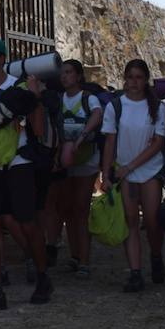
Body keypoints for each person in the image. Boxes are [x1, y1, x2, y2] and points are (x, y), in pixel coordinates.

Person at [0, 82, 51, 312]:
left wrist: (35, 99)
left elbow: (39, 131)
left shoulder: (20, 84)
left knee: (27, 223)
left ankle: (43, 277)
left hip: (18, 165)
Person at [100, 59, 165, 292]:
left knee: (151, 220)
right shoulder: (115, 106)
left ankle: (156, 255)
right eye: (130, 77)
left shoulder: (157, 107)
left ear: (146, 79)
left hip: (149, 170)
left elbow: (158, 143)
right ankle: (135, 272)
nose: (134, 82)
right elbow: (109, 142)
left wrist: (130, 167)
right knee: (130, 221)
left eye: (139, 77)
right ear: (125, 79)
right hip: (124, 172)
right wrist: (106, 174)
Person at [49, 59, 104, 277]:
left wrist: (80, 138)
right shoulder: (58, 99)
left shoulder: (88, 98)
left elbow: (97, 115)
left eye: (69, 72)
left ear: (79, 76)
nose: (64, 76)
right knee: (67, 209)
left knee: (81, 209)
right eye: (62, 73)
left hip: (86, 160)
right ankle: (74, 256)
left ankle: (84, 260)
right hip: (65, 161)